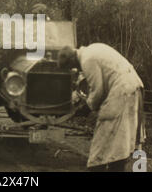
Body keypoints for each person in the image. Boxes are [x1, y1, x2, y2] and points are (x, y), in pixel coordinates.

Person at [57, 43, 146, 172]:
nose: (75, 69)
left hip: (122, 90)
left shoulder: (87, 60)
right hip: (133, 87)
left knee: (101, 145)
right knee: (120, 143)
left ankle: (99, 167)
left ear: (72, 60)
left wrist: (86, 108)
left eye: (71, 67)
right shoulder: (93, 49)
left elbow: (97, 91)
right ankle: (116, 167)